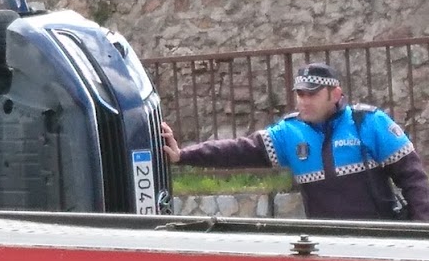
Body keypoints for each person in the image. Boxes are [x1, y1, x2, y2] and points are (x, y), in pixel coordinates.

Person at [161, 61, 429, 221]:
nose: (303, 101)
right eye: (299, 94)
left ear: (335, 94)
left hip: (380, 241)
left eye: (311, 94)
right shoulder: (289, 132)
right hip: (326, 244)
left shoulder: (370, 123)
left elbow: (413, 179)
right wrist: (184, 155)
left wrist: (420, 233)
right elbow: (240, 150)